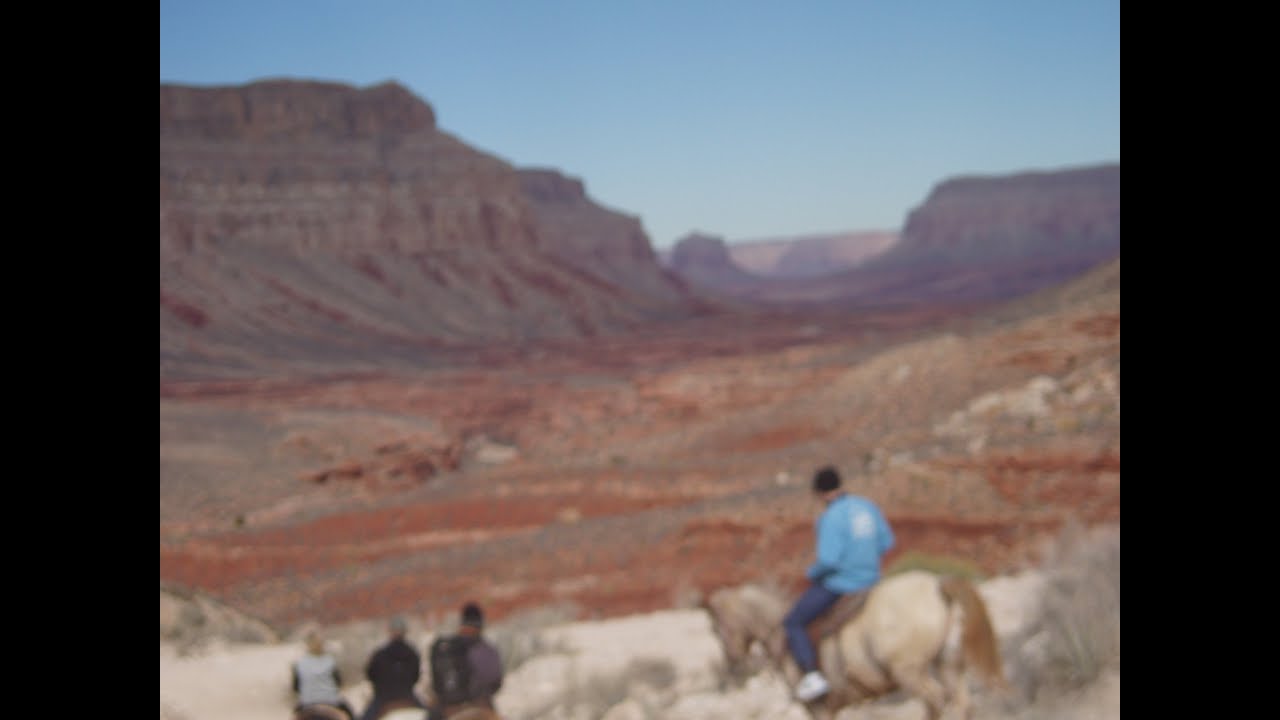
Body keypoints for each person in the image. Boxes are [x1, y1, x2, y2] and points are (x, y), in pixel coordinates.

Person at [783, 465, 895, 702]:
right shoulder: (866, 507)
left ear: (821, 493)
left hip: (844, 584)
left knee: (794, 622)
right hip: (873, 579)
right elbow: (886, 542)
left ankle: (813, 675)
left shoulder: (830, 517)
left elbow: (829, 560)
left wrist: (811, 573)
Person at [426, 602, 504, 719]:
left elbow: (433, 682)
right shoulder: (484, 649)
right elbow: (495, 680)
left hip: (446, 708)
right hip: (479, 703)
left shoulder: (446, 648)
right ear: (480, 623)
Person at [360, 616, 426, 720]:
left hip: (383, 698)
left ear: (390, 631)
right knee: (430, 715)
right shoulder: (412, 653)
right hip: (407, 695)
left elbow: (370, 675)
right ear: (405, 632)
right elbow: (416, 677)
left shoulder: (379, 654)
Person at [292, 630, 355, 720]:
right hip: (331, 701)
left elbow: (295, 687)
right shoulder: (330, 661)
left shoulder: (300, 663)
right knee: (351, 714)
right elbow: (338, 683)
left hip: (307, 703)